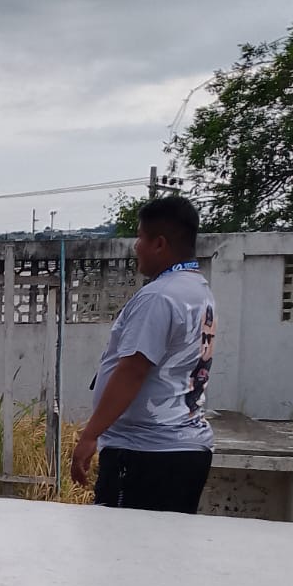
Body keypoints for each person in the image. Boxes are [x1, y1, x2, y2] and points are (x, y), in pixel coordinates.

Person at [70, 194, 217, 514]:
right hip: (184, 448)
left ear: (159, 244)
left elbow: (133, 371)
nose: (136, 246)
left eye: (140, 237)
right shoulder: (198, 290)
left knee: (120, 543)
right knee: (165, 544)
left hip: (145, 454)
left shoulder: (159, 297)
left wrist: (89, 436)